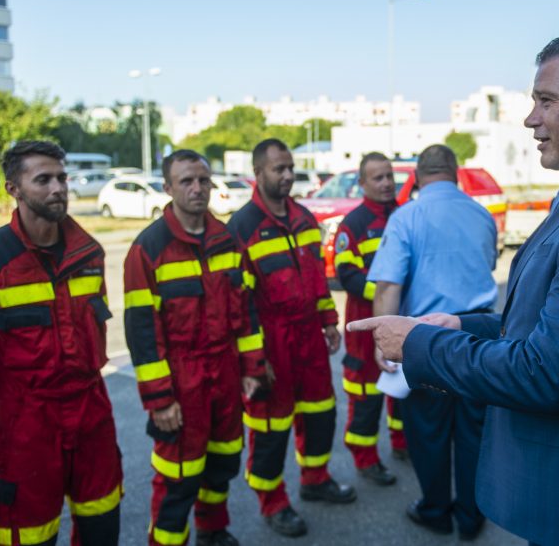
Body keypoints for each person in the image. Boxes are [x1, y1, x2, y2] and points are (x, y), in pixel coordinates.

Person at [349, 29, 559, 545]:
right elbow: (549, 319)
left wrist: (418, 343)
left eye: (546, 101)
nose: (531, 118)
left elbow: (547, 372)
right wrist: (463, 324)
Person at [0, 141, 122, 546]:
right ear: (13, 187)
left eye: (61, 178)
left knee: (102, 522)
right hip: (25, 426)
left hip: (92, 415)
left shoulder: (89, 253)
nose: (57, 188)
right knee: (28, 536)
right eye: (42, 179)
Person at [123, 149, 267, 546]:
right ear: (168, 188)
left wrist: (252, 368)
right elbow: (141, 333)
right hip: (180, 383)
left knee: (221, 464)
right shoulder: (147, 249)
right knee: (177, 477)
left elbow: (244, 311)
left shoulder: (226, 240)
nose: (197, 188)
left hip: (223, 374)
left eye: (203, 180)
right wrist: (159, 399)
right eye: (186, 181)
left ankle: (212, 531)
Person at [227, 138, 356, 537]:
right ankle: (273, 501)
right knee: (270, 427)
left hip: (308, 337)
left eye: (290, 169)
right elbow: (239, 302)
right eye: (277, 169)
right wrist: (253, 359)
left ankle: (315, 480)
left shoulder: (303, 218)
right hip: (271, 340)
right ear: (258, 173)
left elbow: (317, 277)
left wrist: (329, 320)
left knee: (320, 413)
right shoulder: (242, 227)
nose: (286, 176)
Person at [368, 144, 496, 539]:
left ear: (418, 177)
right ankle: (472, 517)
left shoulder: (406, 217)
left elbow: (389, 284)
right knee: (475, 432)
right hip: (478, 334)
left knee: (428, 430)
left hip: (426, 340)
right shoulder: (482, 214)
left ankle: (436, 511)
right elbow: (488, 266)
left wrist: (381, 341)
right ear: (456, 173)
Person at [334, 152, 407, 485]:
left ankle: (403, 444)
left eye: (389, 176)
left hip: (404, 318)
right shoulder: (354, 224)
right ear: (361, 184)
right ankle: (365, 459)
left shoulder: (406, 216)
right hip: (366, 327)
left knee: (403, 388)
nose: (387, 183)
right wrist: (386, 296)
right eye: (378, 178)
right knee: (365, 396)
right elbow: (346, 275)